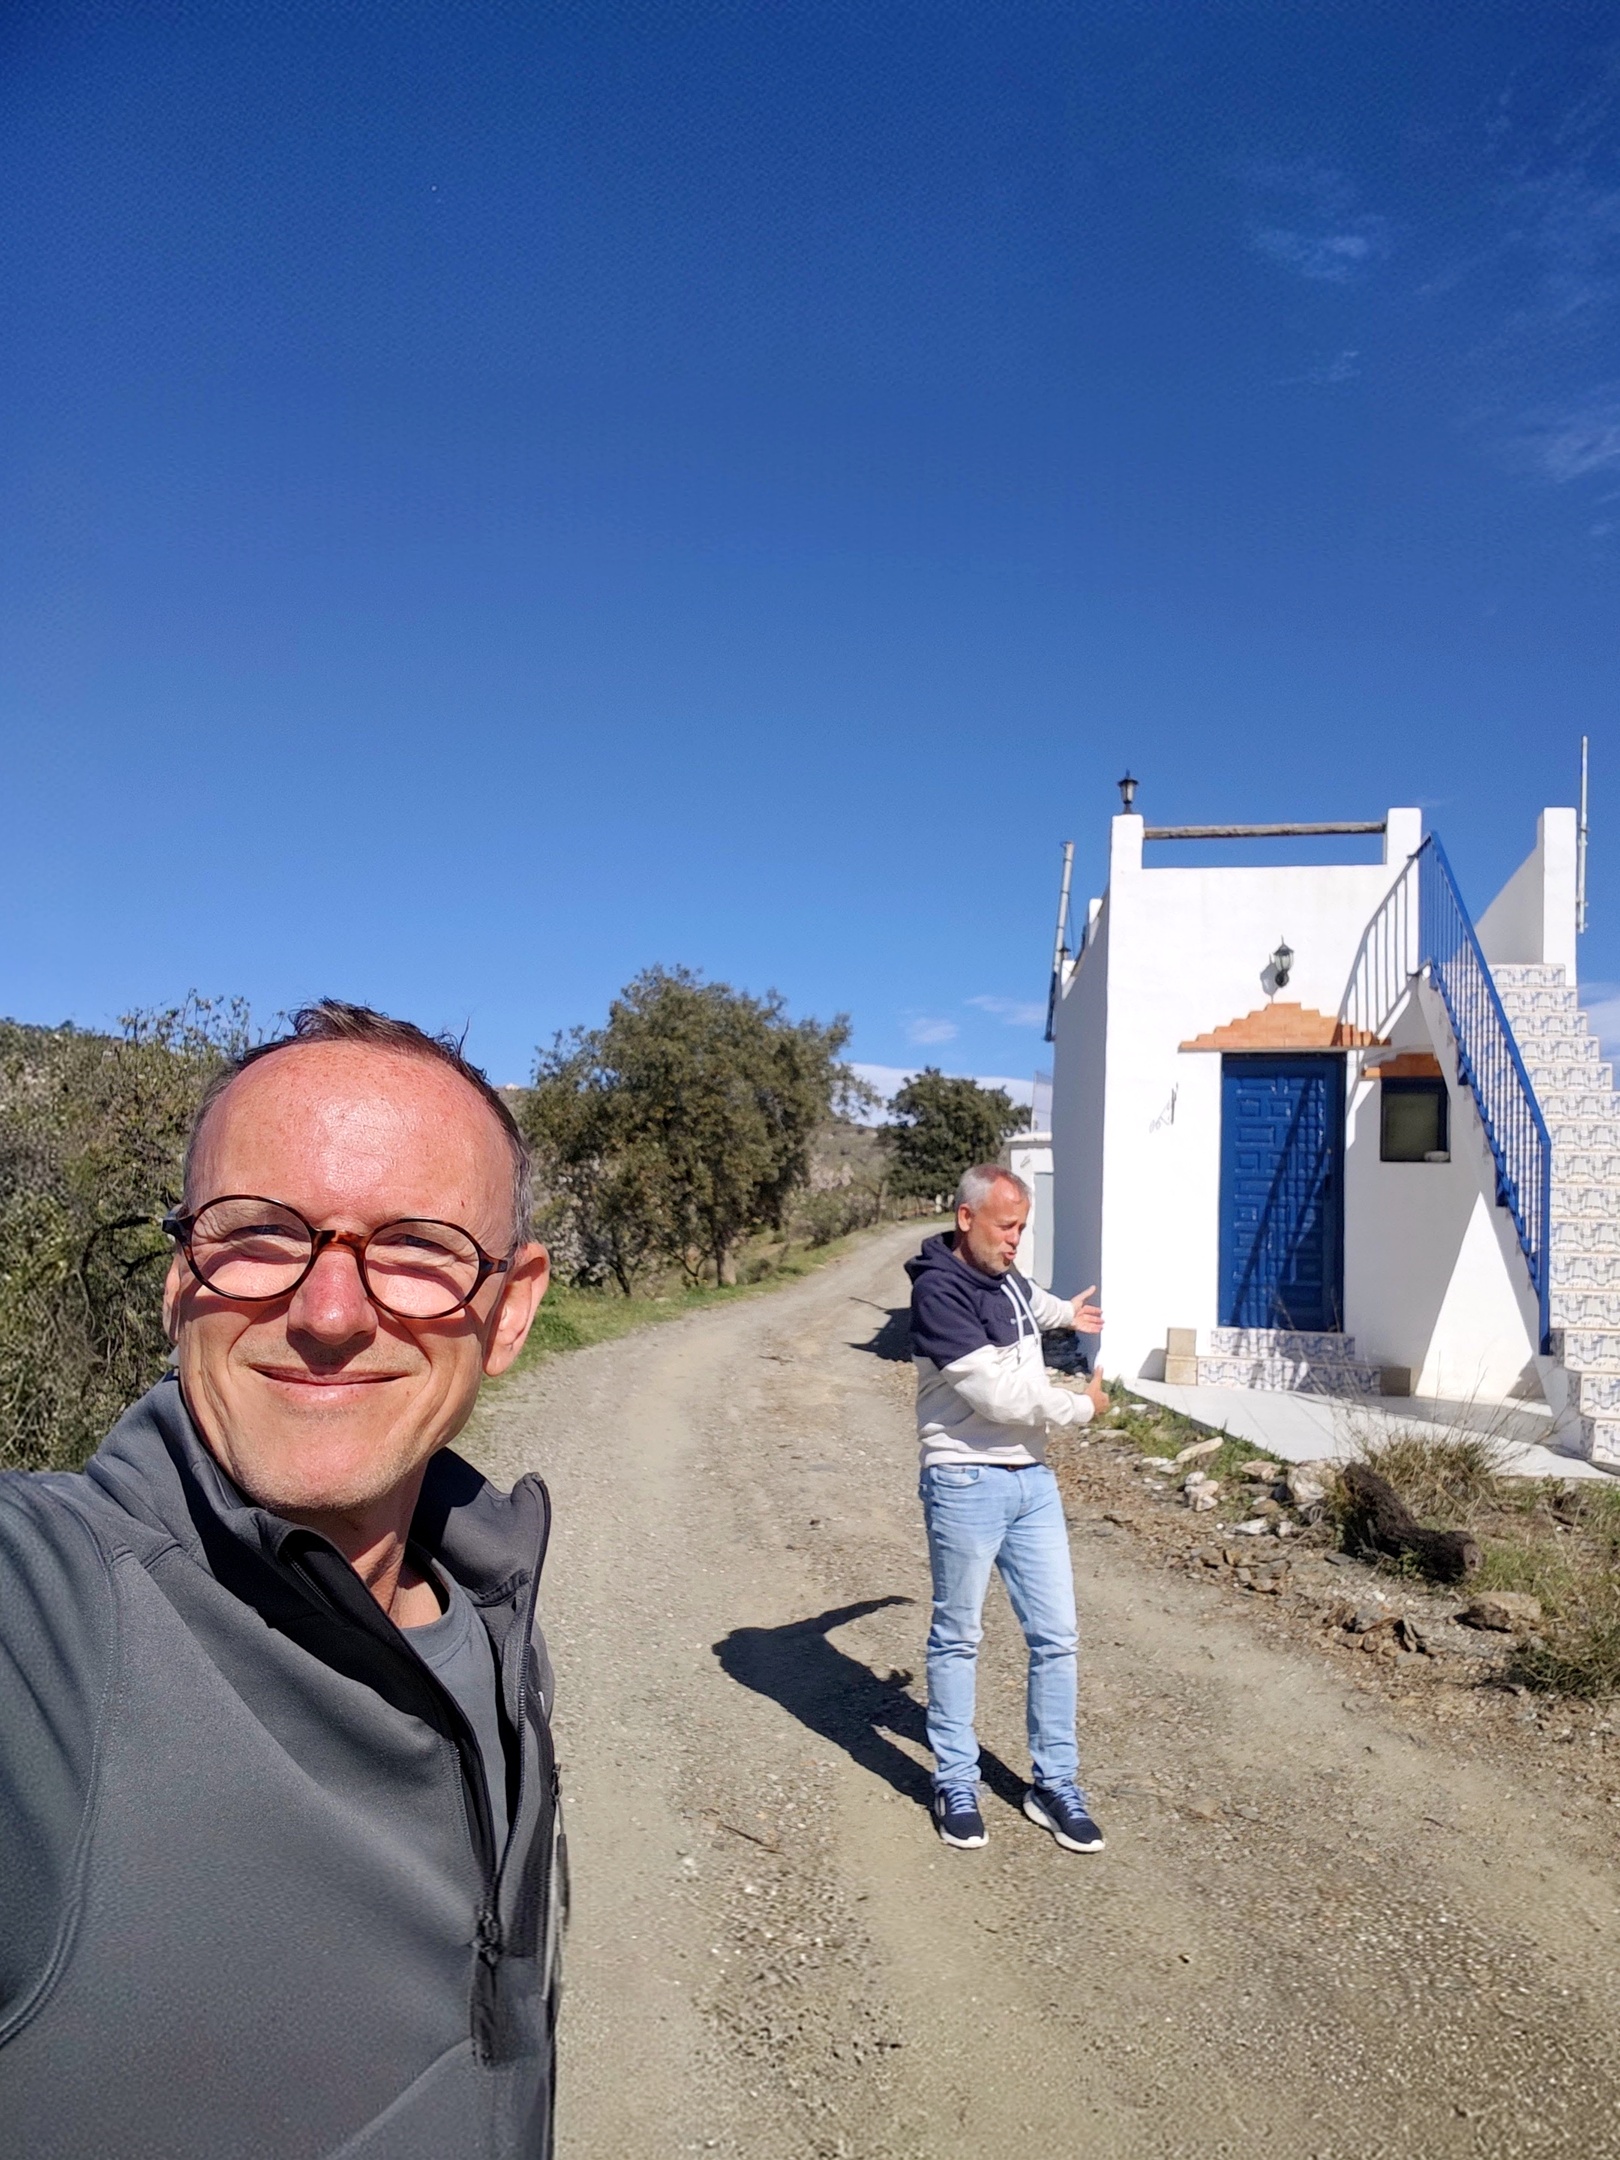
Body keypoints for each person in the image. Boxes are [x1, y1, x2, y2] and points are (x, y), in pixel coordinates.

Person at [0, 1002, 562, 2160]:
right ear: (177, 1279)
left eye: (418, 1248)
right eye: (258, 1233)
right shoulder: (47, 1624)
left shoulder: (490, 1601)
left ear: (507, 1311)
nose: (329, 1314)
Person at [906, 1163, 1108, 1854]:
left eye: (1023, 1227)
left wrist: (1068, 1314)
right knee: (959, 1637)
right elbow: (996, 1398)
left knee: (1057, 1637)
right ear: (966, 1219)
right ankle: (955, 1780)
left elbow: (1033, 1300)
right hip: (965, 1479)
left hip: (1032, 1481)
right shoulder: (939, 1293)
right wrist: (1081, 1407)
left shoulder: (1006, 1277)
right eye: (1006, 1226)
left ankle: (1054, 1784)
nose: (1017, 1240)